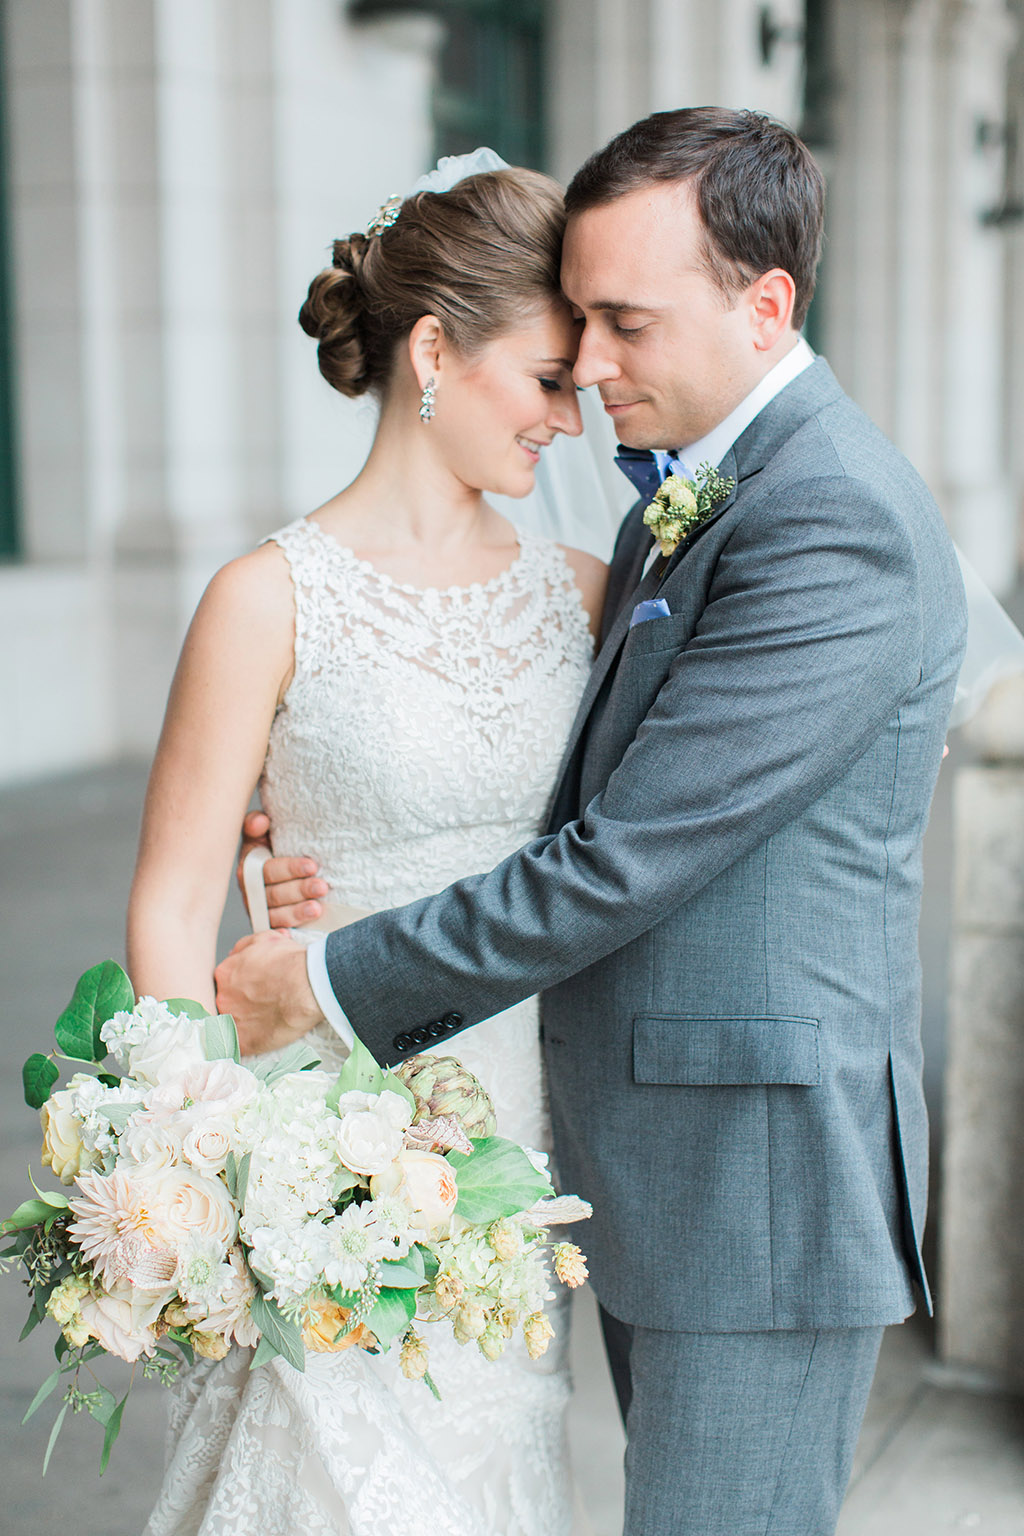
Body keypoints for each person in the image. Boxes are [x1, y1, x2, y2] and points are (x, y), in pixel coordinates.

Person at [216, 108, 969, 1536]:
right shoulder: (679, 505)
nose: (596, 366)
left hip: (758, 1184)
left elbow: (623, 858)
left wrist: (322, 978)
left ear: (766, 304)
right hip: (649, 1165)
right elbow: (566, 776)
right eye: (577, 329)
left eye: (623, 321)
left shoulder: (834, 519)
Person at [127, 159, 607, 1536]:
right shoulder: (263, 601)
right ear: (438, 351)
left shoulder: (581, 598)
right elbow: (167, 915)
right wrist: (205, 1175)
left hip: (519, 1155)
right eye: (547, 379)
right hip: (315, 1152)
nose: (569, 422)